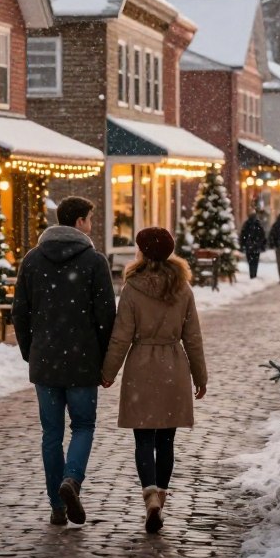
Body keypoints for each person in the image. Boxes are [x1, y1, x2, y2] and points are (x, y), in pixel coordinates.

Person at [12, 196, 117, 527]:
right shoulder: (94, 261)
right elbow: (106, 316)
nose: (91, 224)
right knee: (83, 426)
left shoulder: (32, 260)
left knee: (51, 433)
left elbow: (20, 312)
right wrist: (103, 357)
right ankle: (71, 479)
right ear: (79, 223)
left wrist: (31, 350)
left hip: (45, 361)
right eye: (89, 218)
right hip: (83, 361)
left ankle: (57, 505)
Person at [100, 226, 207, 534]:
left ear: (142, 253)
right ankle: (160, 493)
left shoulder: (133, 288)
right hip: (173, 366)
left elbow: (121, 336)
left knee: (143, 439)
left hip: (141, 368)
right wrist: (200, 376)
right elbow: (193, 337)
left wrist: (108, 372)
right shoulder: (182, 288)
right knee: (167, 440)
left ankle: (149, 494)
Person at [238, 209, 267, 278]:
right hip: (256, 246)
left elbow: (243, 235)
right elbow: (262, 235)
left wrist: (242, 245)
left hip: (249, 246)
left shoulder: (246, 224)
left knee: (250, 260)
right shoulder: (258, 224)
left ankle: (252, 273)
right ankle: (254, 273)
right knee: (255, 261)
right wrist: (262, 245)